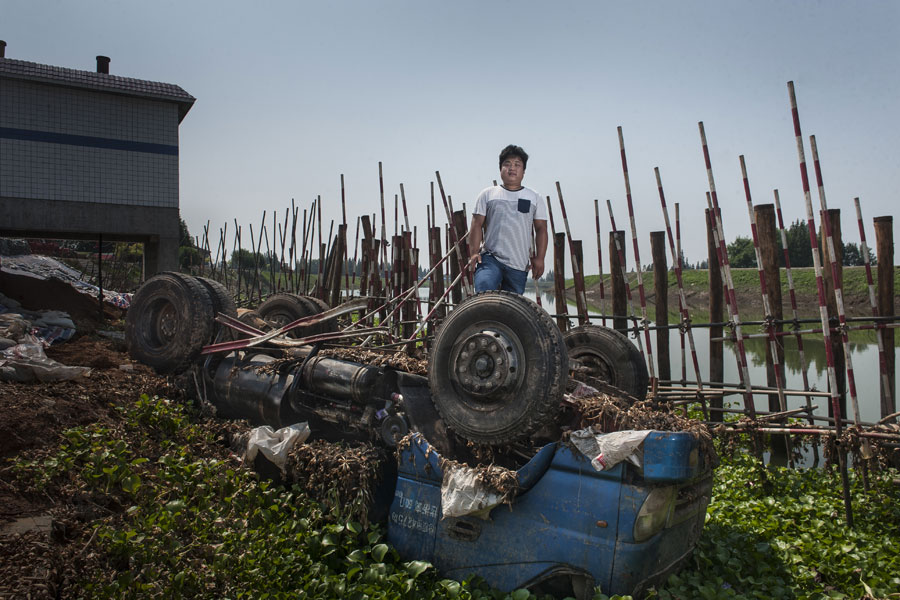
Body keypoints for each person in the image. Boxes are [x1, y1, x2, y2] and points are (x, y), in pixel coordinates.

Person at [468, 145, 548, 294]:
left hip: (518, 264)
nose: (512, 168)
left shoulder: (534, 197)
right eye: (507, 164)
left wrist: (540, 258)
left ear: (523, 171)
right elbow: (476, 224)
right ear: (500, 169)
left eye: (517, 164)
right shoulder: (488, 194)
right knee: (483, 290)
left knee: (513, 308)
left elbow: (541, 229)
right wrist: (473, 252)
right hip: (490, 258)